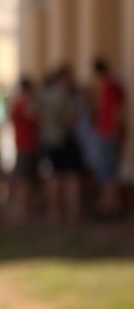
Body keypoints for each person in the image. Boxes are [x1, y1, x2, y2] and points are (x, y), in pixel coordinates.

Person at [38, 64, 85, 226]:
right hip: (64, 140)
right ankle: (73, 215)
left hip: (50, 141)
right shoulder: (64, 94)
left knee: (54, 179)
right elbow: (70, 118)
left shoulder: (45, 95)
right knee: (71, 179)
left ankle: (55, 213)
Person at [92, 56, 126, 218]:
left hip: (109, 134)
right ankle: (112, 204)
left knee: (109, 171)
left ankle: (109, 207)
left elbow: (116, 110)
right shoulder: (107, 86)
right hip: (105, 132)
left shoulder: (111, 86)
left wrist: (112, 131)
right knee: (107, 170)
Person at [8, 76, 42, 222]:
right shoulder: (25, 103)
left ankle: (25, 210)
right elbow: (38, 118)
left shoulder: (18, 103)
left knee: (25, 179)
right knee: (25, 180)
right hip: (27, 145)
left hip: (24, 145)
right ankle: (24, 210)